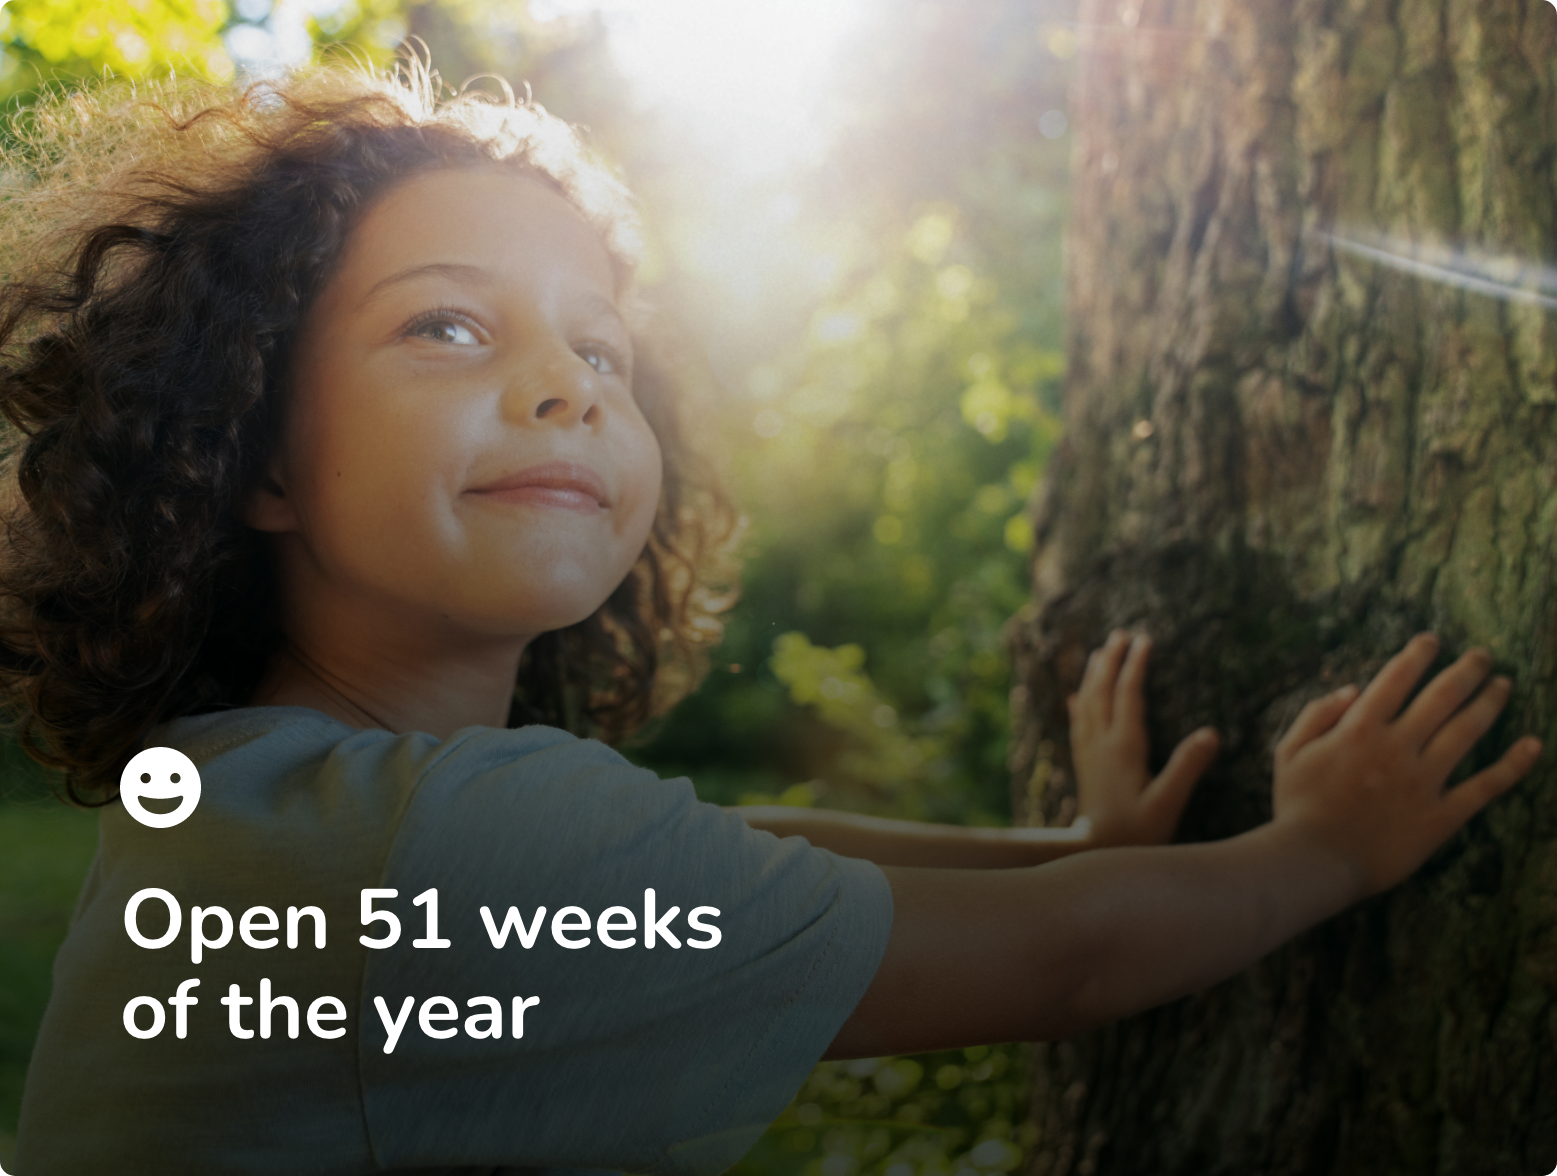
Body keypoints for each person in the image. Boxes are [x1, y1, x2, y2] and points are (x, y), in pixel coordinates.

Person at [3, 61, 1539, 1176]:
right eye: (447, 325)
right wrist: (1319, 851)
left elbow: (747, 844)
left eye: (600, 351)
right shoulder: (444, 848)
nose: (565, 386)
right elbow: (1067, 968)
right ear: (250, 450)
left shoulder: (275, 789)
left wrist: (1079, 847)